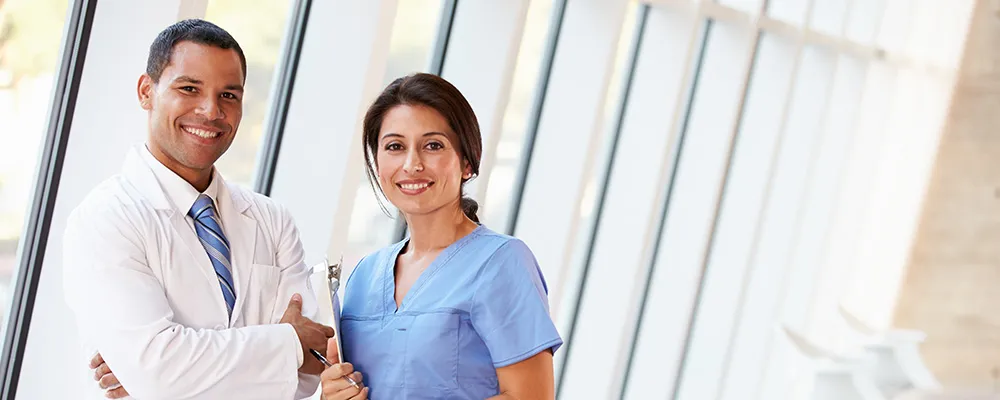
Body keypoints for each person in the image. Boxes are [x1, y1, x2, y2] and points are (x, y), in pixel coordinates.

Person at [63, 19, 334, 399]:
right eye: (189, 88)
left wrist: (176, 370)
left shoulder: (272, 221)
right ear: (146, 91)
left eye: (229, 95)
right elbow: (159, 372)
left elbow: (310, 373)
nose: (210, 111)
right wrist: (287, 344)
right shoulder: (105, 220)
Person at [320, 73, 563, 400]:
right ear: (378, 164)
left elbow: (531, 397)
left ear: (466, 162)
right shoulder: (365, 274)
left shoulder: (502, 263)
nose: (411, 164)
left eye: (432, 145)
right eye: (394, 146)